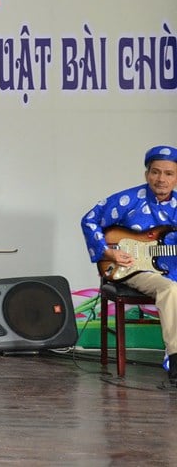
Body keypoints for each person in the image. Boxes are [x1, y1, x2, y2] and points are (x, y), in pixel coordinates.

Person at [81, 145, 177, 385]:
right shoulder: (128, 199)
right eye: (155, 172)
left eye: (168, 174)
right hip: (136, 269)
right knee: (170, 289)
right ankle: (176, 358)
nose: (161, 179)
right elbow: (90, 219)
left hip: (171, 265)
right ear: (147, 174)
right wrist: (107, 252)